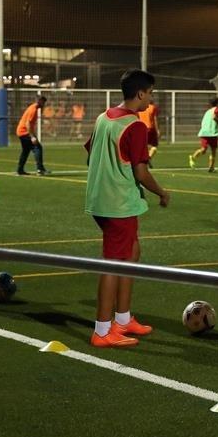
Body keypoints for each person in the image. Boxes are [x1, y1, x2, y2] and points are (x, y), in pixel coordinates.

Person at [85, 70, 170, 348]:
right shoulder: (134, 125)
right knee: (112, 263)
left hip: (103, 200)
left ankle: (122, 319)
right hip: (117, 204)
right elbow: (141, 172)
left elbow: (90, 148)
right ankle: (102, 330)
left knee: (132, 251)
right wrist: (162, 192)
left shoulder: (104, 117)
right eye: (151, 93)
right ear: (141, 94)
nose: (151, 98)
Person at [16, 95, 49, 175]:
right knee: (37, 148)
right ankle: (40, 169)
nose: (44, 104)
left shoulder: (34, 107)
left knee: (26, 151)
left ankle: (20, 170)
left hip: (21, 131)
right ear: (40, 101)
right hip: (24, 132)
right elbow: (28, 124)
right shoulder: (33, 110)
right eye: (43, 102)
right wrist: (32, 137)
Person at [189, 97, 218, 172]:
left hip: (205, 132)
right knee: (213, 151)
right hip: (212, 132)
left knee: (203, 149)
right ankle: (210, 167)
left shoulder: (208, 111)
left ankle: (194, 158)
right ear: (217, 103)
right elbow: (214, 117)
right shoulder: (217, 109)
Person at [137, 98, 161, 164]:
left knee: (143, 146)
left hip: (142, 129)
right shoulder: (153, 107)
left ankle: (141, 159)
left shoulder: (140, 108)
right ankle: (149, 158)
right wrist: (158, 130)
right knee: (154, 146)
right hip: (151, 129)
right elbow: (155, 120)